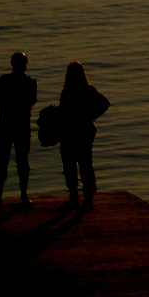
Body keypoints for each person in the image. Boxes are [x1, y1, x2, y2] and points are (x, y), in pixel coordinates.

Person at [58, 62, 108, 211]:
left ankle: (75, 198)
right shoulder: (88, 90)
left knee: (71, 165)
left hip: (70, 132)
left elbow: (105, 103)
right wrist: (92, 116)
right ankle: (87, 199)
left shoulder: (67, 92)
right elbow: (104, 103)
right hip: (83, 130)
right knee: (85, 164)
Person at [0, 52, 37, 206]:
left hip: (7, 124)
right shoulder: (30, 83)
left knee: (5, 161)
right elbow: (31, 102)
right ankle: (22, 195)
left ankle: (0, 196)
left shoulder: (3, 81)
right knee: (19, 160)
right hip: (20, 125)